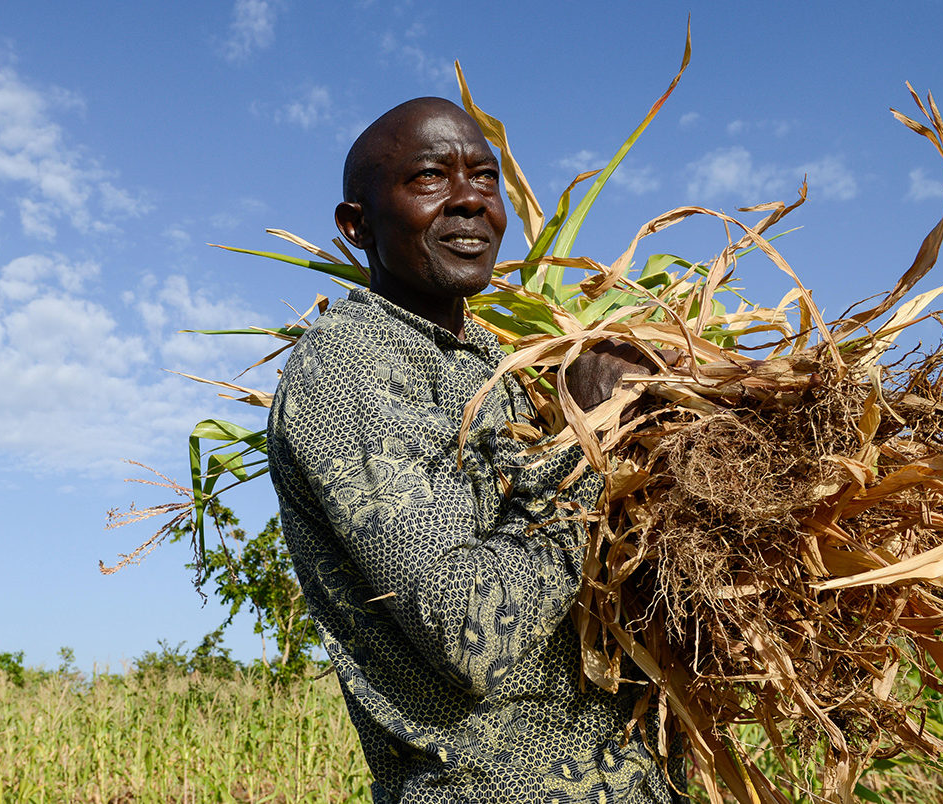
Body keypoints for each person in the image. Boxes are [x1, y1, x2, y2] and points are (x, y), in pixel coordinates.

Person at [266, 97, 679, 802]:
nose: (468, 201)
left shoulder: (495, 360)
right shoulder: (347, 364)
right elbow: (470, 631)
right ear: (356, 224)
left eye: (484, 177)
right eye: (430, 176)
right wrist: (588, 438)